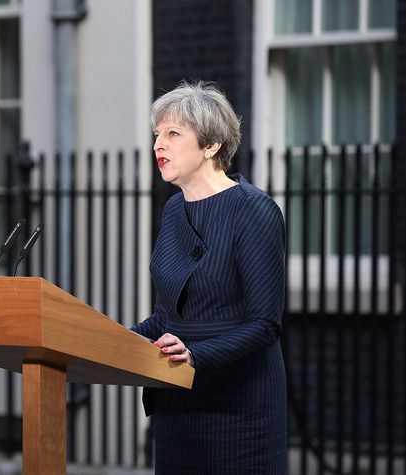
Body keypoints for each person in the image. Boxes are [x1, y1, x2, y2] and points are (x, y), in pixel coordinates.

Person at [132, 81, 287, 474]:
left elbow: (264, 324)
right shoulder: (173, 211)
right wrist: (110, 338)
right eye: (156, 135)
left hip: (237, 411)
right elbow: (167, 317)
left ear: (211, 145)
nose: (158, 146)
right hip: (176, 407)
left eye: (173, 134)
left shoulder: (253, 210)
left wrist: (196, 356)